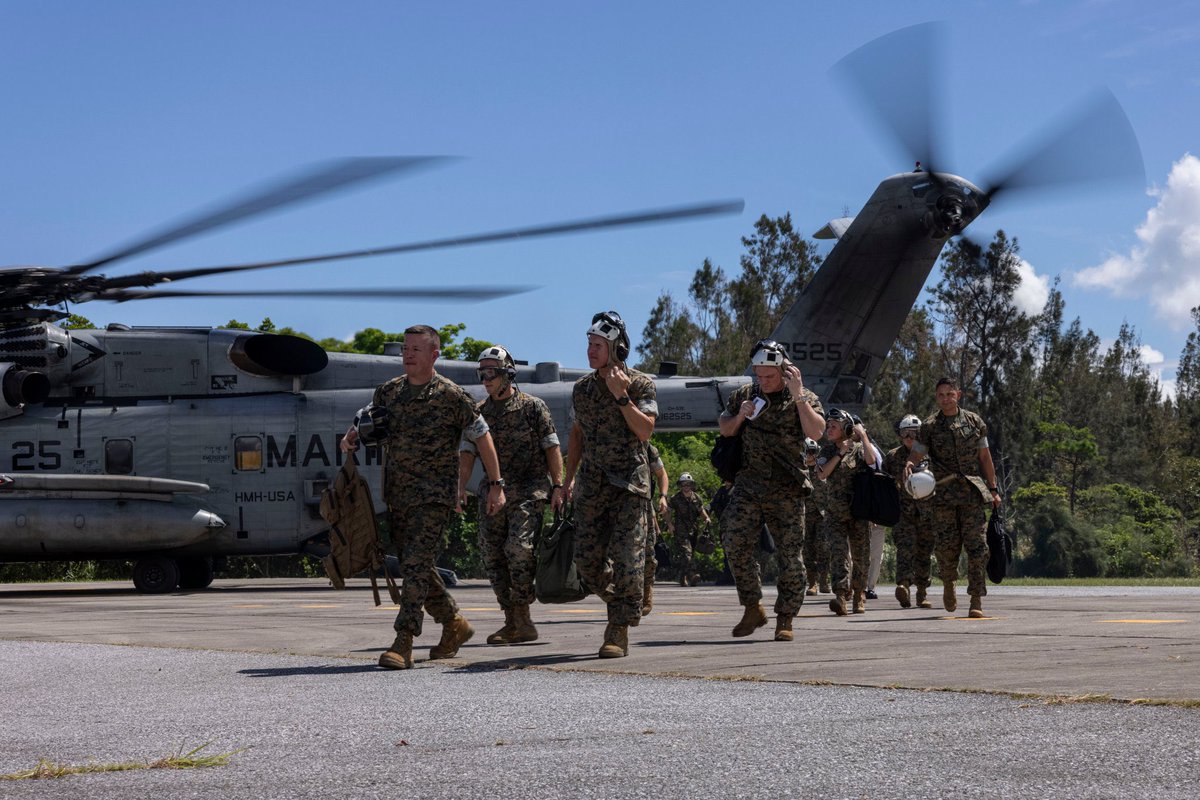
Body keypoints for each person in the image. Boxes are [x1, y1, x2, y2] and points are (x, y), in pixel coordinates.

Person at [343, 324, 506, 671]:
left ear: (434, 355)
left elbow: (483, 437)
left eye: (415, 349)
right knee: (415, 566)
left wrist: (496, 484)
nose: (407, 355)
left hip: (434, 497)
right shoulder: (389, 391)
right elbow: (365, 418)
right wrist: (351, 435)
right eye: (405, 348)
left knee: (416, 565)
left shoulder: (452, 396)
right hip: (397, 495)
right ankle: (454, 623)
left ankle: (403, 641)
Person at [561, 311, 657, 658]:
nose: (591, 350)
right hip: (592, 486)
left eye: (598, 345)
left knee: (628, 559)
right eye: (589, 344)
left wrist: (621, 396)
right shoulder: (582, 389)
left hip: (629, 485)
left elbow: (645, 431)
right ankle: (627, 596)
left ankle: (618, 627)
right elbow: (576, 435)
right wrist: (566, 481)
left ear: (617, 348)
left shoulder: (640, 384)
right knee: (587, 564)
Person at [717, 339, 825, 642]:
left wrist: (798, 395)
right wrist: (740, 416)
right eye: (759, 374)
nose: (763, 381)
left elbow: (816, 431)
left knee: (790, 556)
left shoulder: (803, 397)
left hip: (787, 488)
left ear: (785, 370)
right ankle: (753, 606)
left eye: (769, 375)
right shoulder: (745, 394)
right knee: (733, 540)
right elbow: (724, 428)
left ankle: (785, 617)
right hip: (749, 485)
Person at [456, 346, 562, 645]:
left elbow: (552, 447)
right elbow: (467, 453)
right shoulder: (479, 412)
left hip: (529, 490)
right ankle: (513, 620)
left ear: (508, 374)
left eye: (492, 373)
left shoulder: (533, 407)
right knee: (492, 556)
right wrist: (460, 486)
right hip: (492, 494)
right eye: (482, 374)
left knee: (518, 549)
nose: (486, 379)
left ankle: (523, 616)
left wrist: (558, 485)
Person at [906, 377, 1002, 619]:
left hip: (971, 492)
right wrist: (909, 463)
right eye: (941, 395)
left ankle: (976, 599)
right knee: (946, 548)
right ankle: (949, 583)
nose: (946, 399)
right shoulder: (929, 426)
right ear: (936, 397)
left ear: (958, 395)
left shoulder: (974, 422)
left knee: (978, 547)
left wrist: (993, 488)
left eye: (950, 394)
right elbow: (918, 452)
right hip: (943, 496)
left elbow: (985, 457)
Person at [816, 407, 876, 615]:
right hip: (835, 512)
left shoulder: (859, 449)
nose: (829, 429)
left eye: (834, 426)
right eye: (828, 426)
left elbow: (871, 461)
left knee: (861, 556)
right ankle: (841, 596)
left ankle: (859, 594)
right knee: (839, 554)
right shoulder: (826, 451)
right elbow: (822, 474)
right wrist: (840, 452)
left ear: (846, 428)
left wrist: (864, 437)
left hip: (858, 512)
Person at [883, 414, 935, 608]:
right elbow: (884, 483)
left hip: (927, 513)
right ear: (900, 435)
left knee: (924, 551)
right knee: (904, 549)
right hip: (903, 514)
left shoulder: (931, 455)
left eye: (914, 434)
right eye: (905, 433)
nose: (910, 438)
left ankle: (922, 592)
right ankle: (903, 585)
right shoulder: (893, 456)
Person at [667, 472, 711, 586]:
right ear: (680, 485)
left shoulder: (697, 498)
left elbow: (701, 510)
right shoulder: (675, 498)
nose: (686, 486)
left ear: (691, 485)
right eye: (683, 484)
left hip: (693, 529)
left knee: (690, 555)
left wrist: (706, 518)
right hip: (680, 530)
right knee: (687, 553)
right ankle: (692, 575)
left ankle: (683, 577)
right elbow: (668, 512)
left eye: (688, 484)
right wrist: (669, 524)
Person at [642, 441, 669, 616]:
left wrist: (663, 496)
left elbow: (661, 473)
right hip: (611, 508)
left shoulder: (647, 448)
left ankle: (646, 596)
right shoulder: (602, 441)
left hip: (643, 507)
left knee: (648, 555)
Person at [801, 438, 831, 595]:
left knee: (824, 549)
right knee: (807, 550)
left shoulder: (823, 469)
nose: (809, 455)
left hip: (822, 515)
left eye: (812, 451)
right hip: (804, 515)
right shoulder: (800, 470)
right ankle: (812, 583)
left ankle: (824, 580)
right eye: (806, 451)